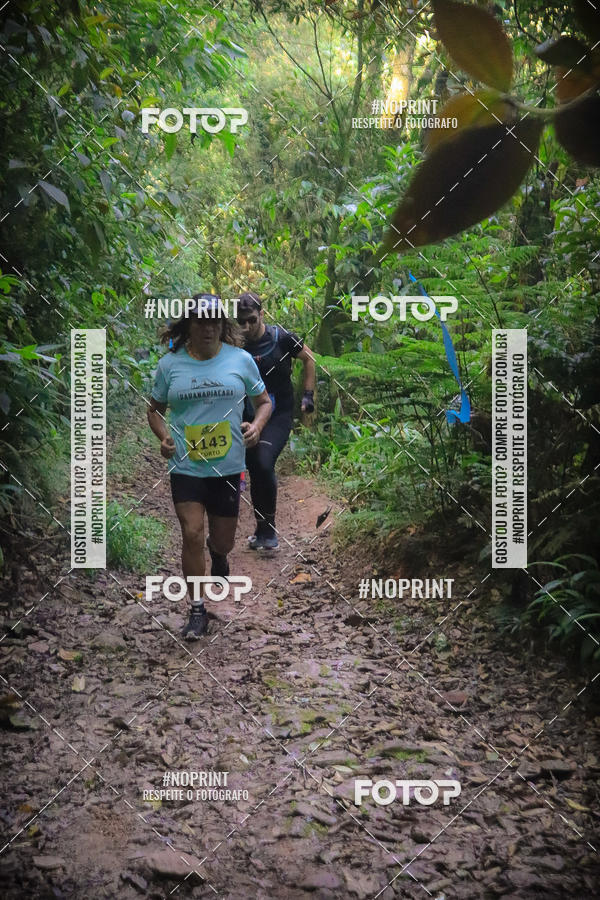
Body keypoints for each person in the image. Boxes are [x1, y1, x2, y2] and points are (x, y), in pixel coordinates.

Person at [147, 294, 272, 639]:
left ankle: (218, 557)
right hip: (186, 466)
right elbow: (154, 409)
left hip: (227, 466)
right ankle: (197, 609)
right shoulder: (170, 365)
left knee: (223, 540)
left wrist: (257, 427)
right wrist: (163, 437)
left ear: (222, 325)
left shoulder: (241, 360)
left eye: (214, 321)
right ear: (189, 325)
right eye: (201, 321)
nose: (208, 328)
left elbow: (264, 402)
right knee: (191, 533)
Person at [237, 291, 316, 550]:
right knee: (254, 467)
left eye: (251, 320)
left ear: (262, 314)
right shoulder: (235, 344)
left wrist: (307, 395)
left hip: (279, 414)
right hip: (247, 416)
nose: (246, 327)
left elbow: (309, 359)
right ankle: (261, 529)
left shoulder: (283, 338)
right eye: (241, 322)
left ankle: (269, 531)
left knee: (262, 460)